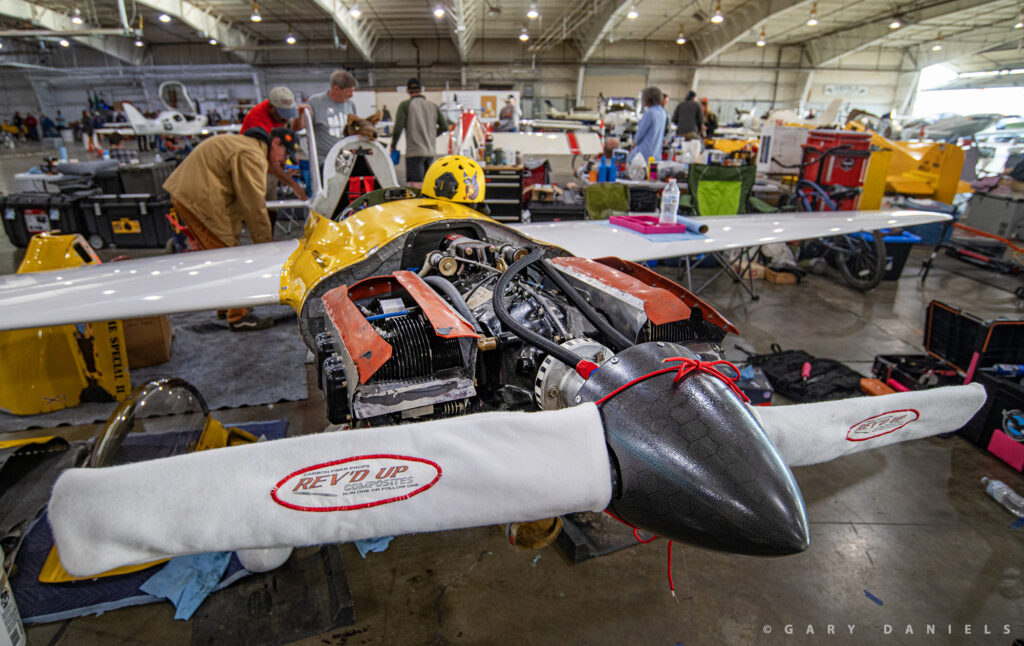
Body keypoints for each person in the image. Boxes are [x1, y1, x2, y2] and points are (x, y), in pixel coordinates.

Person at [162, 127, 297, 331]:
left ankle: (225, 306)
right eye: (284, 154)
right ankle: (238, 316)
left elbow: (237, 202)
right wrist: (266, 249)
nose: (282, 161)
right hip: (199, 198)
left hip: (191, 194)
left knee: (220, 252)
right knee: (230, 256)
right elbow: (253, 205)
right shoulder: (252, 155)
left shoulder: (244, 146)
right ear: (276, 143)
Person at [242, 86, 309, 200]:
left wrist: (301, 114)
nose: (286, 120)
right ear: (272, 108)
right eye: (283, 115)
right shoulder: (257, 121)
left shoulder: (278, 116)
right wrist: (294, 186)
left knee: (273, 210)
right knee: (257, 209)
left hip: (269, 170)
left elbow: (294, 128)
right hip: (255, 170)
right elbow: (271, 162)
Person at [391, 78, 450, 187]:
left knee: (416, 189)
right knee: (428, 186)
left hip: (414, 152)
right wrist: (431, 135)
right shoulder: (433, 106)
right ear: (421, 89)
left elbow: (398, 127)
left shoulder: (405, 105)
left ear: (408, 91)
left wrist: (393, 145)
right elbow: (445, 126)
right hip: (430, 153)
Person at [308, 69, 359, 169]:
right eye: (349, 92)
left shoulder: (350, 105)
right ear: (336, 89)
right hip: (323, 161)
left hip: (345, 160)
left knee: (343, 184)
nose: (351, 95)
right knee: (327, 184)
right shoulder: (315, 102)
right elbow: (302, 127)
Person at [630, 86, 667, 164]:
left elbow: (639, 135)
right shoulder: (663, 112)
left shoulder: (649, 113)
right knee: (652, 175)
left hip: (643, 156)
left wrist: (632, 146)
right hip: (656, 155)